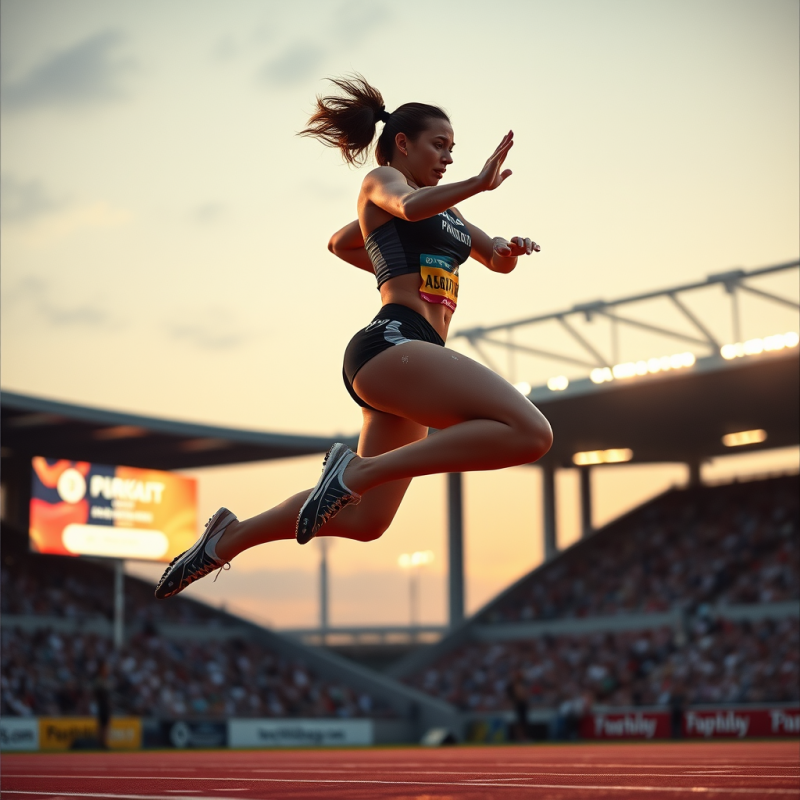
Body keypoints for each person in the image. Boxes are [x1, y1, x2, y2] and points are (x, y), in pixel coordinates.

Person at [155, 75, 552, 600]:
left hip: (415, 362)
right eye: (440, 145)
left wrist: (508, 249)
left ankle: (229, 538)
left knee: (366, 522)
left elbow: (356, 244)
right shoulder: (382, 180)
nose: (449, 158)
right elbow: (406, 209)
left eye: (453, 150)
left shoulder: (448, 212)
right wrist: (475, 185)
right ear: (403, 144)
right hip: (392, 345)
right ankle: (356, 471)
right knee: (531, 432)